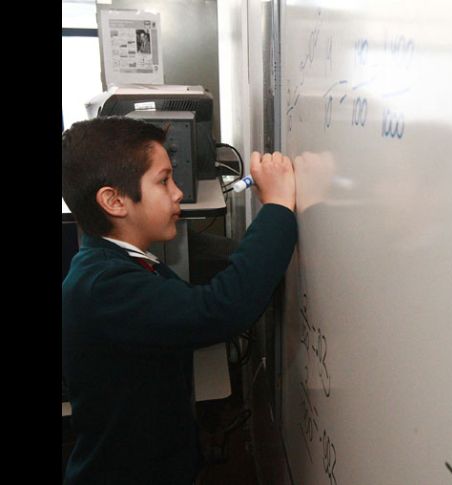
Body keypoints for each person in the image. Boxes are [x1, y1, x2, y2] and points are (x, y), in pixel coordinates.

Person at [61, 116, 297, 484]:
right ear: (114, 201)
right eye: (163, 181)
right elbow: (219, 310)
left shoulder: (117, 261)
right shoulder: (105, 287)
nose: (178, 193)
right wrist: (278, 207)